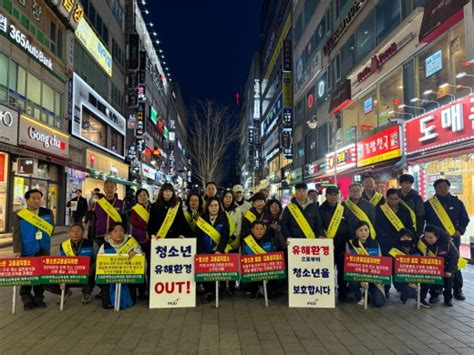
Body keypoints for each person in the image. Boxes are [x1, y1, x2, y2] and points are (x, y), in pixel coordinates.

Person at [424, 178, 469, 301]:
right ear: (435, 189)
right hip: (434, 241)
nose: (442, 189)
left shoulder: (457, 203)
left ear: (449, 187)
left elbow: (465, 219)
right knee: (435, 264)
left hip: (453, 238)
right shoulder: (429, 204)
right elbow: (423, 220)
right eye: (439, 187)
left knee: (454, 263)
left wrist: (460, 230)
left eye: (444, 186)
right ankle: (435, 292)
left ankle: (457, 289)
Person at [12, 189, 55, 310]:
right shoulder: (20, 214)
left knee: (40, 276)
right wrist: (17, 250)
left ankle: (39, 298)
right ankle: (27, 300)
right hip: (27, 249)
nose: (37, 201)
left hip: (43, 248)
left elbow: (52, 229)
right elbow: (16, 233)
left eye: (39, 198)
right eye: (34, 198)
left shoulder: (47, 212)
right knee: (27, 276)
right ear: (27, 200)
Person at [47, 224, 95, 305]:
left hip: (86, 275)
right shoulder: (63, 245)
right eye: (73, 231)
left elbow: (97, 260)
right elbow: (56, 262)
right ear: (69, 233)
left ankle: (86, 292)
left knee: (95, 271)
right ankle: (65, 292)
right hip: (68, 276)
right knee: (46, 279)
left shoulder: (91, 244)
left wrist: (91, 269)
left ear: (83, 232)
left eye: (78, 231)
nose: (75, 233)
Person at [98, 222, 142, 309]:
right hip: (110, 278)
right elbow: (99, 262)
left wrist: (135, 254)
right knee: (106, 304)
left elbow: (141, 259)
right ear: (110, 234)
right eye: (115, 231)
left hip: (128, 276)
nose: (119, 233)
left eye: (121, 231)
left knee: (131, 300)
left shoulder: (131, 244)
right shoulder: (105, 246)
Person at [319, 186, 353, 302]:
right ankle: (326, 292)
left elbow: (349, 225)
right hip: (327, 245)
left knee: (342, 269)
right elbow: (318, 226)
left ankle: (342, 292)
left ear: (338, 196)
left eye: (335, 195)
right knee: (326, 270)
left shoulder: (343, 208)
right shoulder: (320, 209)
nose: (333, 197)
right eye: (331, 195)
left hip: (342, 244)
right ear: (326, 196)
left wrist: (349, 242)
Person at [196, 196, 230, 302]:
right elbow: (198, 236)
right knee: (206, 273)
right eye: (211, 206)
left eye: (216, 205)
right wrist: (200, 250)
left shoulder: (224, 218)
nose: (214, 208)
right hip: (205, 250)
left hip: (218, 250)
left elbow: (225, 236)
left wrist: (220, 250)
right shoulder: (202, 219)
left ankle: (217, 290)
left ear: (219, 207)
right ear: (207, 207)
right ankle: (208, 292)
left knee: (216, 272)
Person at [345, 221, 385, 308]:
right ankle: (360, 295)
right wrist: (362, 278)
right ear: (355, 232)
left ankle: (371, 292)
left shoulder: (375, 243)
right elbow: (350, 266)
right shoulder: (350, 244)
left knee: (379, 303)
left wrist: (372, 278)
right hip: (357, 277)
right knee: (352, 280)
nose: (364, 232)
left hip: (373, 278)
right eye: (360, 230)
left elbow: (380, 263)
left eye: (366, 230)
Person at [418, 225, 459, 307]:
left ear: (437, 236)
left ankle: (448, 299)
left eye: (431, 237)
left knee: (448, 282)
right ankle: (428, 297)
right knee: (427, 281)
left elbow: (455, 256)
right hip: (431, 268)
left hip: (446, 266)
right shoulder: (422, 242)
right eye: (426, 236)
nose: (428, 239)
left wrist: (449, 270)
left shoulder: (447, 243)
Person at [241, 220, 279, 298]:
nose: (259, 231)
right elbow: (244, 259)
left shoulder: (270, 240)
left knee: (279, 275)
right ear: (252, 230)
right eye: (257, 229)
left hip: (267, 269)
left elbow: (274, 256)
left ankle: (268, 290)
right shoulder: (246, 241)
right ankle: (255, 290)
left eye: (261, 229)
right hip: (253, 270)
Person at [389, 229, 420, 304]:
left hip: (415, 278)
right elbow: (392, 269)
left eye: (408, 237)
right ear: (399, 238)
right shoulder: (393, 250)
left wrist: (414, 282)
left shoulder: (416, 250)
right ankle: (404, 294)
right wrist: (408, 282)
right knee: (411, 293)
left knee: (417, 291)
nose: (406, 239)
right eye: (403, 237)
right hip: (399, 279)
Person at [130, 189, 151, 299]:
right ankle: (142, 290)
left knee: (151, 265)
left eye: (144, 195)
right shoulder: (135, 209)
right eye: (140, 195)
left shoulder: (153, 207)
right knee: (140, 264)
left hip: (152, 239)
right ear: (137, 198)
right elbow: (135, 223)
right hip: (139, 239)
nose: (142, 197)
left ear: (148, 196)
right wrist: (148, 227)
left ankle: (151, 288)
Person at [91, 180, 125, 247]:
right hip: (100, 235)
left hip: (116, 237)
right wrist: (91, 235)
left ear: (116, 189)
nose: (109, 189)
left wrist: (125, 234)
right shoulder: (98, 204)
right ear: (104, 189)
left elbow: (125, 221)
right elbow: (93, 221)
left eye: (112, 187)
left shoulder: (121, 203)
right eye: (107, 187)